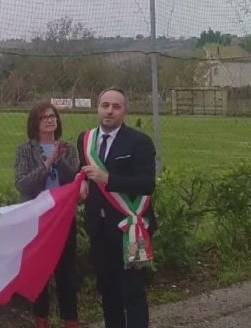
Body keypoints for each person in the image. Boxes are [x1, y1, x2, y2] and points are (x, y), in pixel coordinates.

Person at [77, 87, 157, 328]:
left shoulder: (139, 142)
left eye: (116, 106)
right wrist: (81, 184)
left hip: (129, 229)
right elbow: (83, 172)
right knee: (107, 291)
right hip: (98, 229)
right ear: (98, 107)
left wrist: (108, 179)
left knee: (131, 292)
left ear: (125, 111)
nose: (109, 111)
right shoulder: (85, 139)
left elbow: (146, 184)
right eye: (105, 105)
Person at [14, 101, 80, 328]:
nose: (51, 120)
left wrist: (59, 160)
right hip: (37, 220)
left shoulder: (69, 149)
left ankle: (70, 320)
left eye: (53, 116)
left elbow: (74, 181)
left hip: (63, 219)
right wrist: (47, 163)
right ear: (35, 123)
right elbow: (24, 185)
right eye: (45, 117)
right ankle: (41, 319)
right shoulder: (25, 150)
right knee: (40, 272)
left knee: (66, 273)